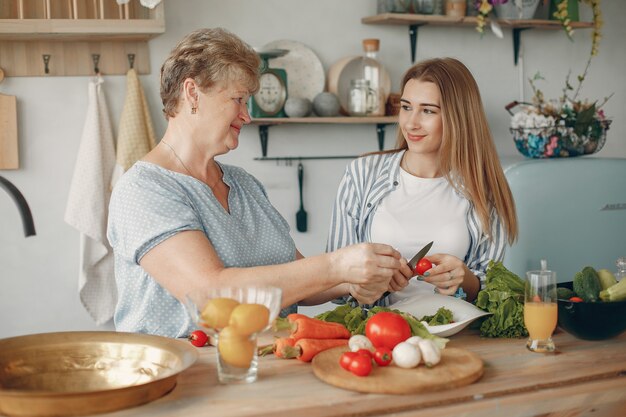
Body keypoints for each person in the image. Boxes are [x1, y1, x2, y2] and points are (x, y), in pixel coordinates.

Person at [107, 28, 402, 338]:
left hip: (270, 366)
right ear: (192, 93)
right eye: (238, 99)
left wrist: (355, 279)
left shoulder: (243, 184)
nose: (246, 116)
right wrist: (336, 265)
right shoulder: (144, 190)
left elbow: (294, 278)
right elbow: (210, 296)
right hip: (186, 375)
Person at [327, 57, 518, 305]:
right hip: (378, 335)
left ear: (458, 118)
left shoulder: (484, 189)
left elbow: (493, 291)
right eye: (406, 107)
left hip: (457, 336)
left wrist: (467, 281)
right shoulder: (362, 174)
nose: (411, 123)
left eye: (428, 110)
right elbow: (335, 283)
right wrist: (360, 286)